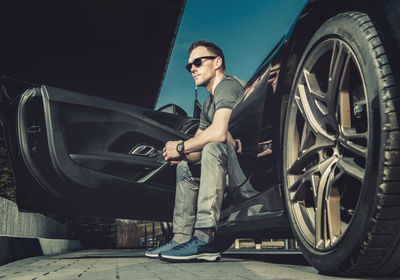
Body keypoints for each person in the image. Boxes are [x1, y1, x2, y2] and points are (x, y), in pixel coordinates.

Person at [145, 40, 259, 262]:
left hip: (248, 178)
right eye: (189, 66)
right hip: (228, 173)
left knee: (214, 147)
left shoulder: (228, 86)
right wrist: (181, 153)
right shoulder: (208, 104)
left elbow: (216, 134)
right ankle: (181, 239)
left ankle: (205, 237)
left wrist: (181, 146)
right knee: (185, 168)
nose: (192, 69)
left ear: (217, 62)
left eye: (197, 62)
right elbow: (198, 144)